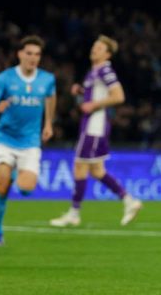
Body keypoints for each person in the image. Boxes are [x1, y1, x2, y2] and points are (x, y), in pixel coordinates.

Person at [50, 35, 143, 227]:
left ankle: (74, 214)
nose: (94, 49)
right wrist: (83, 93)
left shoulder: (105, 70)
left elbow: (118, 96)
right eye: (94, 46)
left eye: (99, 47)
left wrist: (93, 105)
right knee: (97, 170)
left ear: (107, 54)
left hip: (94, 126)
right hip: (92, 125)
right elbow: (98, 94)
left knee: (79, 166)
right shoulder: (94, 71)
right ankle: (129, 201)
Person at [0, 35, 57, 247]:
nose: (33, 58)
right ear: (20, 54)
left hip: (30, 141)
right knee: (2, 185)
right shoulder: (5, 78)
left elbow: (51, 98)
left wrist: (48, 123)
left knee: (26, 188)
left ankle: (15, 172)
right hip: (4, 138)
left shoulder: (47, 79)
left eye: (37, 54)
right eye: (29, 53)